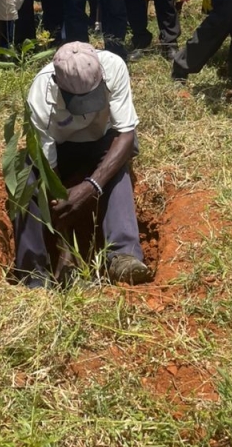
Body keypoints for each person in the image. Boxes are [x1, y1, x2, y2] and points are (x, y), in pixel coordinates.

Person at [13, 41, 150, 288]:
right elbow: (49, 170)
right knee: (26, 173)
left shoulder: (114, 66)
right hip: (61, 149)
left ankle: (123, 255)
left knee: (117, 162)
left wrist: (90, 187)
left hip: (103, 141)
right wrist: (66, 248)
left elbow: (126, 136)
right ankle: (34, 273)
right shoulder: (41, 94)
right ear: (57, 84)